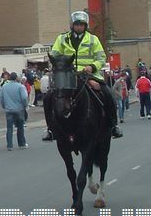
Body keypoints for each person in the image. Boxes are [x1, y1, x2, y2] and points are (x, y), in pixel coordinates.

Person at [42, 11, 123, 141]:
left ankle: (113, 125)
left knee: (107, 93)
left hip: (89, 75)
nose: (79, 27)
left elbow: (101, 57)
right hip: (67, 76)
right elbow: (55, 54)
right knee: (48, 97)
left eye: (82, 25)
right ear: (72, 25)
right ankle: (50, 129)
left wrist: (92, 67)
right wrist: (58, 64)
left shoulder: (93, 39)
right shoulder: (62, 39)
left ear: (86, 26)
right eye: (77, 24)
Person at [0, 73, 28, 151]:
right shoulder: (20, 86)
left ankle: (9, 145)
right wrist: (25, 106)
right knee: (20, 127)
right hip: (19, 109)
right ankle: (21, 144)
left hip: (8, 109)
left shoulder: (4, 87)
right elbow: (24, 97)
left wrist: (4, 106)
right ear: (16, 78)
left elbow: (1, 98)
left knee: (9, 127)